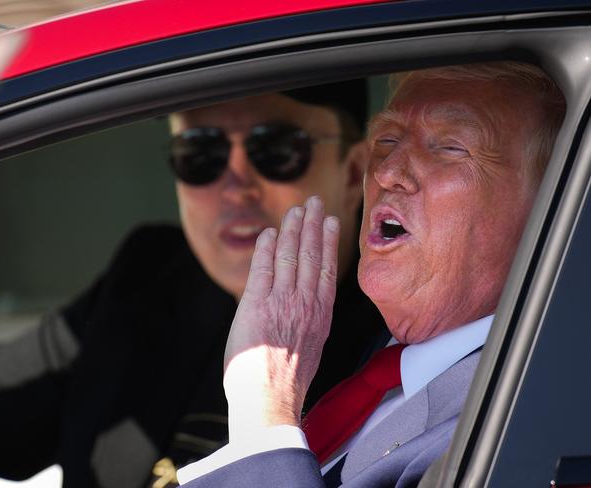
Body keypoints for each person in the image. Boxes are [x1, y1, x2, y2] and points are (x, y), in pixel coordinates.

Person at [0, 81, 390, 488]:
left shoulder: (395, 336)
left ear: (354, 174)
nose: (236, 186)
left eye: (275, 149)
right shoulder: (148, 277)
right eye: (200, 153)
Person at [176, 62, 566, 487]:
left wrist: (264, 414)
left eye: (449, 147)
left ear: (549, 202)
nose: (386, 172)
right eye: (386, 140)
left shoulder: (523, 419)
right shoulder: (380, 367)